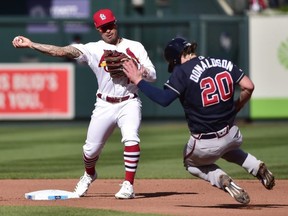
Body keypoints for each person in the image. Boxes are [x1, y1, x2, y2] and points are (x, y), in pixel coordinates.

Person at [12, 8, 156, 199]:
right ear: (98, 29)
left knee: (131, 139)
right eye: (103, 28)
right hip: (104, 104)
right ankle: (89, 174)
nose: (108, 30)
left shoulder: (135, 47)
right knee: (90, 151)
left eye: (110, 25)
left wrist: (138, 69)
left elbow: (153, 75)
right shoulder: (92, 48)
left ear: (116, 24)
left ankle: (128, 184)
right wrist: (31, 44)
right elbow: (61, 51)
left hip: (129, 101)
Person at [122, 37, 275, 204]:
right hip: (232, 134)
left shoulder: (182, 71)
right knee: (224, 149)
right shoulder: (221, 61)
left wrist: (138, 81)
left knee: (191, 164)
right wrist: (237, 106)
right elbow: (249, 86)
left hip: (205, 142)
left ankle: (221, 178)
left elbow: (164, 99)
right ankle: (255, 165)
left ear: (176, 58)